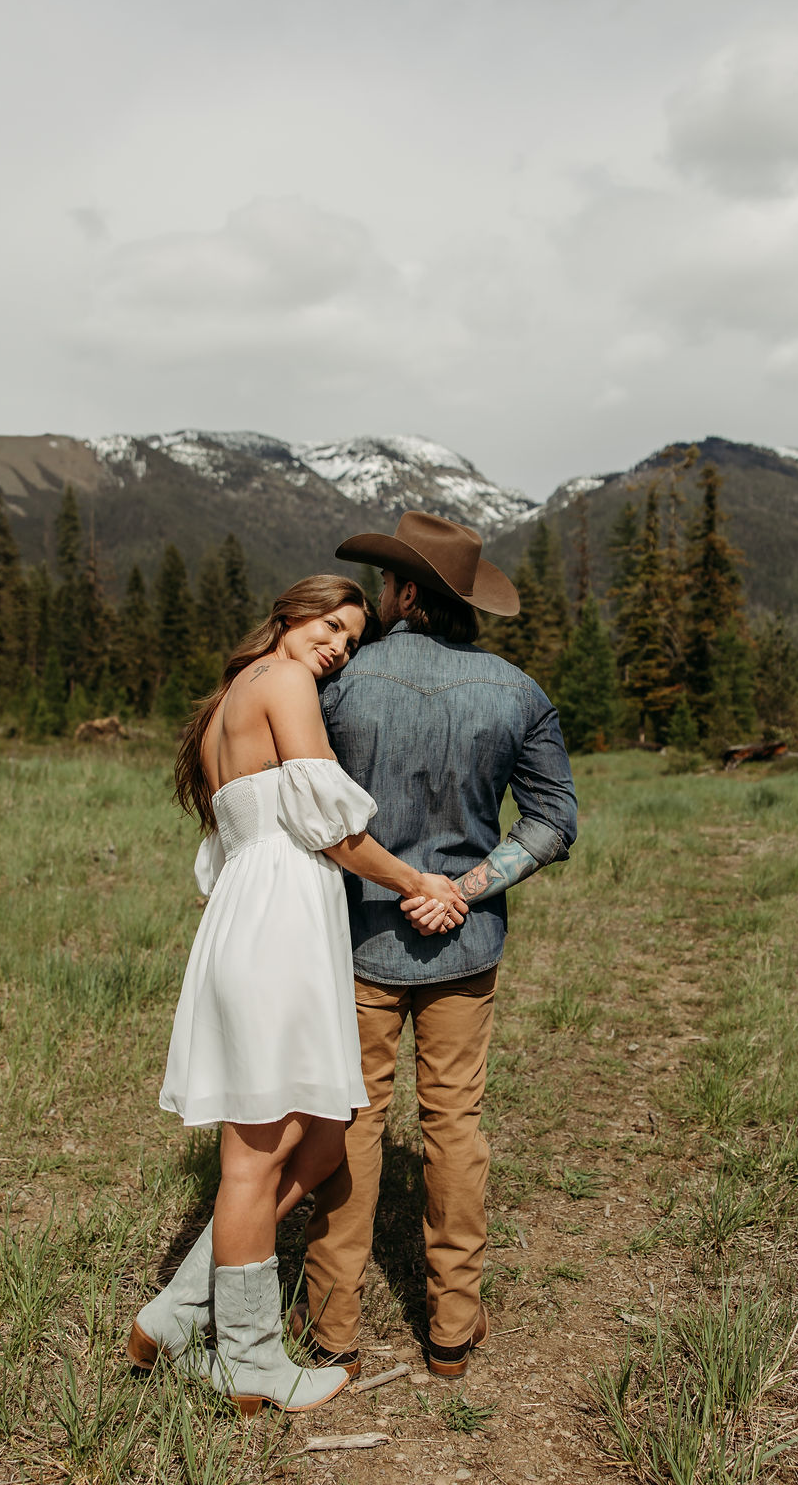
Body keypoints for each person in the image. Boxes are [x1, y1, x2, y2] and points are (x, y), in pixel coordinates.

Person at [127, 575, 467, 1413]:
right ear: (289, 615)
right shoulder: (282, 683)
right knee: (258, 1154)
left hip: (259, 921)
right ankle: (249, 1363)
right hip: (275, 929)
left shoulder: (224, 704)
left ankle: (177, 1312)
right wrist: (419, 878)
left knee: (322, 1137)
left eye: (351, 640)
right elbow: (338, 831)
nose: (337, 647)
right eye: (330, 626)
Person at [299, 513, 577, 1380]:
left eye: (386, 584)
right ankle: (453, 1326)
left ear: (408, 593)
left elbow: (304, 803)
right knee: (454, 1122)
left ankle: (332, 1326)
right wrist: (464, 887)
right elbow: (553, 822)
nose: (379, 599)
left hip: (356, 936)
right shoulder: (517, 691)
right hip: (467, 943)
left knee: (353, 1118)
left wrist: (403, 884)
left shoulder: (340, 686)